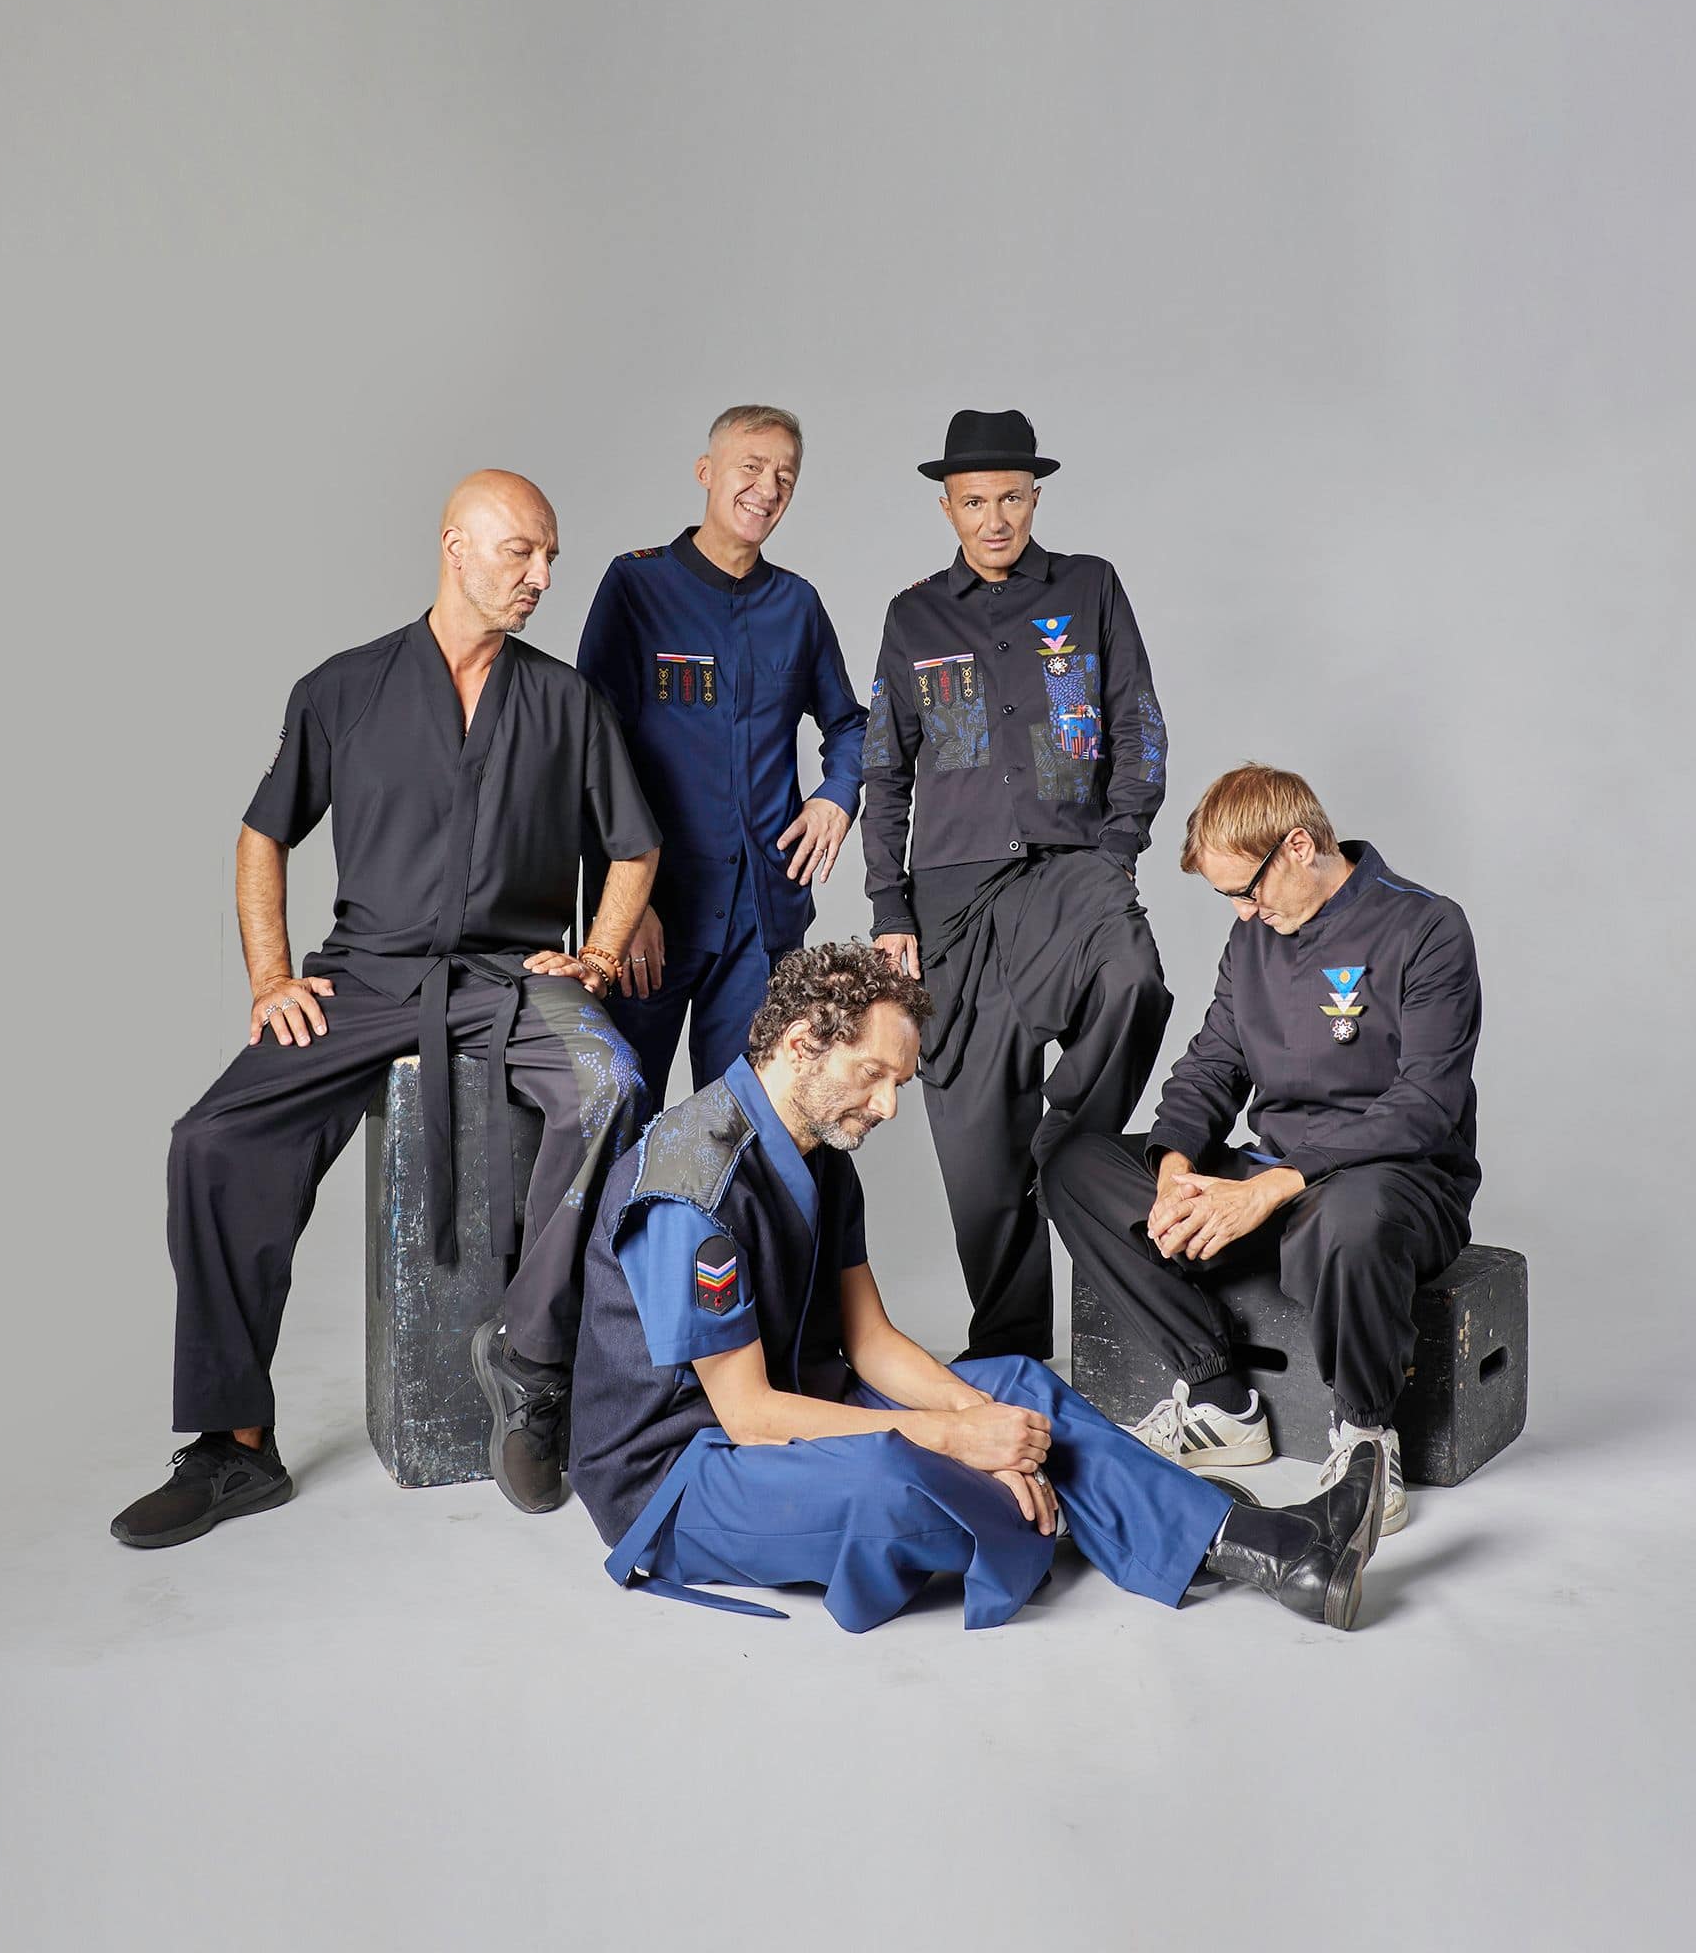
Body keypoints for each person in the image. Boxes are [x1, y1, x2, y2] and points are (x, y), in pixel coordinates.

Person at [111, 471, 662, 1547]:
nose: (542, 576)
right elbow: (262, 833)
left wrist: (597, 955)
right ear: (455, 546)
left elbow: (634, 847)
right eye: (521, 551)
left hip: (513, 979)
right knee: (211, 1143)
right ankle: (235, 1446)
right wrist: (270, 978)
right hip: (366, 979)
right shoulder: (343, 688)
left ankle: (530, 1358)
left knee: (609, 1083)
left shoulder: (566, 701)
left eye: (550, 555)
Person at [566, 943, 1390, 1634]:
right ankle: (1128, 1509)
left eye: (899, 1083)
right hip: (685, 1472)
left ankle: (1273, 1548)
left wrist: (977, 1416)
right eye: (874, 1074)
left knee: (1016, 1386)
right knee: (894, 1480)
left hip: (797, 1402)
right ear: (800, 1044)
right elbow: (748, 1416)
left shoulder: (820, 1148)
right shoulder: (691, 1187)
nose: (888, 1106)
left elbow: (870, 1341)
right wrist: (960, 1440)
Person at [1042, 764, 1483, 1536]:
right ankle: (1219, 1401)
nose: (1242, 912)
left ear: (1299, 846)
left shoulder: (1426, 927)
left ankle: (1365, 1441)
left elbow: (1425, 1106)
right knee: (1073, 1167)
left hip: (1396, 1185)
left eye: (1246, 890)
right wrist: (1176, 1170)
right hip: (1272, 1181)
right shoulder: (1252, 939)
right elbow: (1212, 1066)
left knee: (1352, 1215)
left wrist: (1272, 1187)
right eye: (1228, 899)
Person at [860, 408, 1174, 1362]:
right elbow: (885, 770)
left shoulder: (1088, 587)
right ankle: (1011, 1351)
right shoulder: (914, 615)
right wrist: (889, 908)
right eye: (974, 502)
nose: (994, 519)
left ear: (1035, 498)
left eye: (1011, 498)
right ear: (947, 508)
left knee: (1133, 982)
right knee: (974, 1142)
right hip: (951, 898)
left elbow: (1138, 723)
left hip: (1071, 865)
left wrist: (1115, 850)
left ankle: (1068, 1151)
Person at [576, 405, 866, 1109]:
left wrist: (837, 794)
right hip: (655, 910)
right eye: (750, 467)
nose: (767, 488)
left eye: (785, 475)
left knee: (742, 1121)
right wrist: (624, 906)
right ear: (706, 472)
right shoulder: (636, 587)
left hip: (760, 920)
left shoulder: (797, 605)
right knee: (620, 1111)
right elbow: (590, 748)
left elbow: (850, 725)